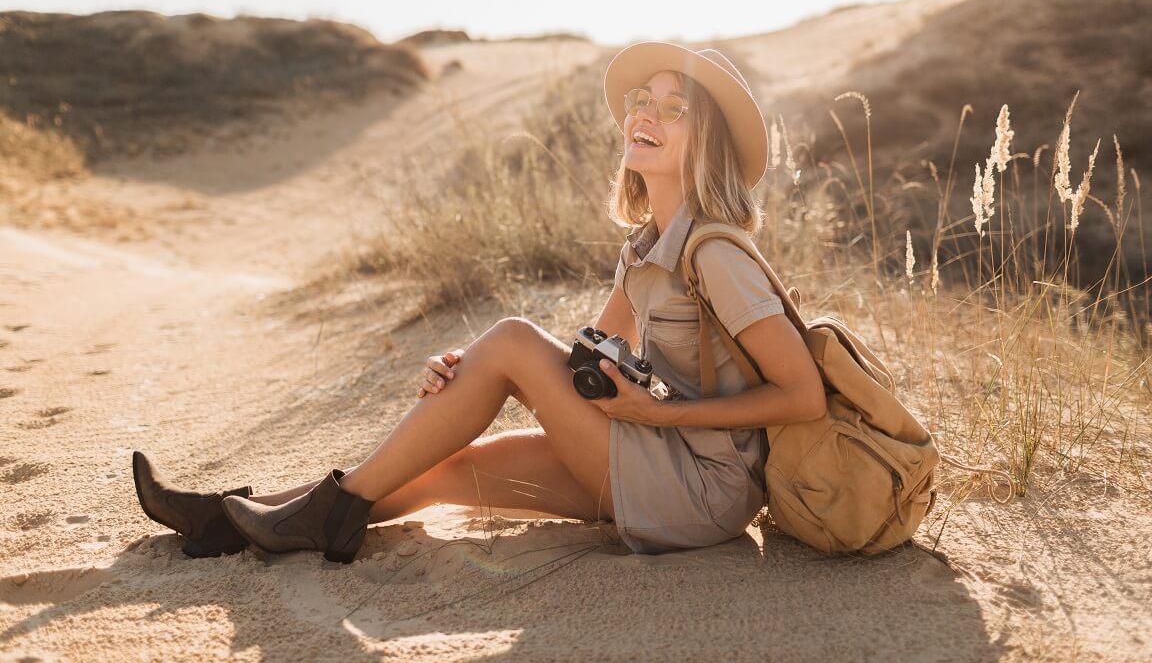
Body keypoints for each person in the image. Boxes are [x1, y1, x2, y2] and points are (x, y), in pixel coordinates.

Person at [132, 41, 827, 562]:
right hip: (655, 453)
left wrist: (651, 408)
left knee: (513, 338)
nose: (645, 113)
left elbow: (802, 397)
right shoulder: (647, 247)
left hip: (703, 492)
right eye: (642, 99)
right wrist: (473, 371)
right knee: (447, 472)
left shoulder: (716, 254)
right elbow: (585, 352)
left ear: (705, 141)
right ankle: (233, 517)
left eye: (673, 108)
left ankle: (305, 516)